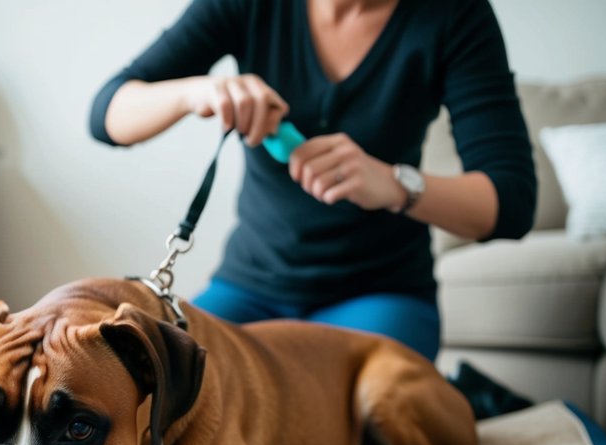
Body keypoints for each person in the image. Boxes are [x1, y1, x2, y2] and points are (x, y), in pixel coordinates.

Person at [90, 0, 536, 361]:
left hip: (381, 294)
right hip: (248, 289)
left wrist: (395, 184)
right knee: (171, 397)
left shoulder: (455, 15)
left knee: (364, 424)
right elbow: (107, 114)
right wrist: (197, 92)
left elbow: (512, 203)